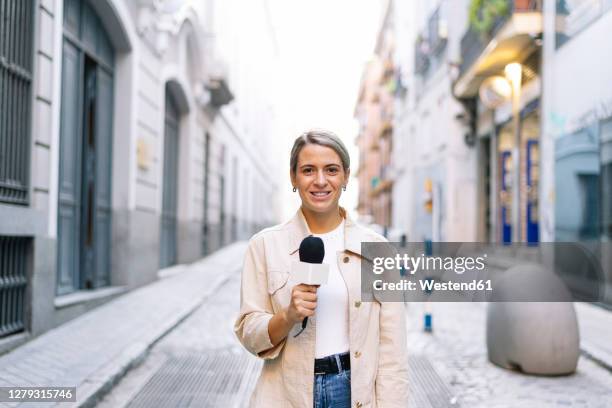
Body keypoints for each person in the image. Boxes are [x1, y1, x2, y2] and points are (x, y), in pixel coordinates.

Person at [234, 129, 408, 408]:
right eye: (307, 170)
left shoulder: (377, 249)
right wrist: (288, 315)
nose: (320, 181)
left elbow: (393, 353)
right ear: (293, 177)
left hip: (352, 392)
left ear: (346, 177)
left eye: (331, 170)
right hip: (285, 394)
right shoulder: (264, 245)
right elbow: (249, 334)